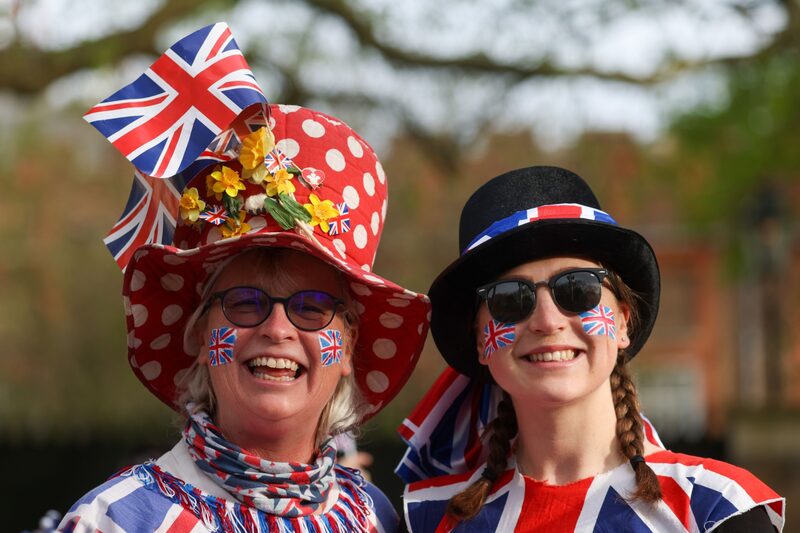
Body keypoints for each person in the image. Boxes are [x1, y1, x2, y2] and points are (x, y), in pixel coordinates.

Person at [58, 24, 430, 533]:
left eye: (312, 307)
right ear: (198, 331)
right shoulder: (117, 521)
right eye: (245, 302)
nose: (277, 329)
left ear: (347, 348)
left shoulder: (373, 517)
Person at [396, 166, 785, 532]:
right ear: (481, 340)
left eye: (578, 289)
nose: (548, 321)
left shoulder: (714, 509)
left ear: (621, 321)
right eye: (510, 298)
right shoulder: (429, 519)